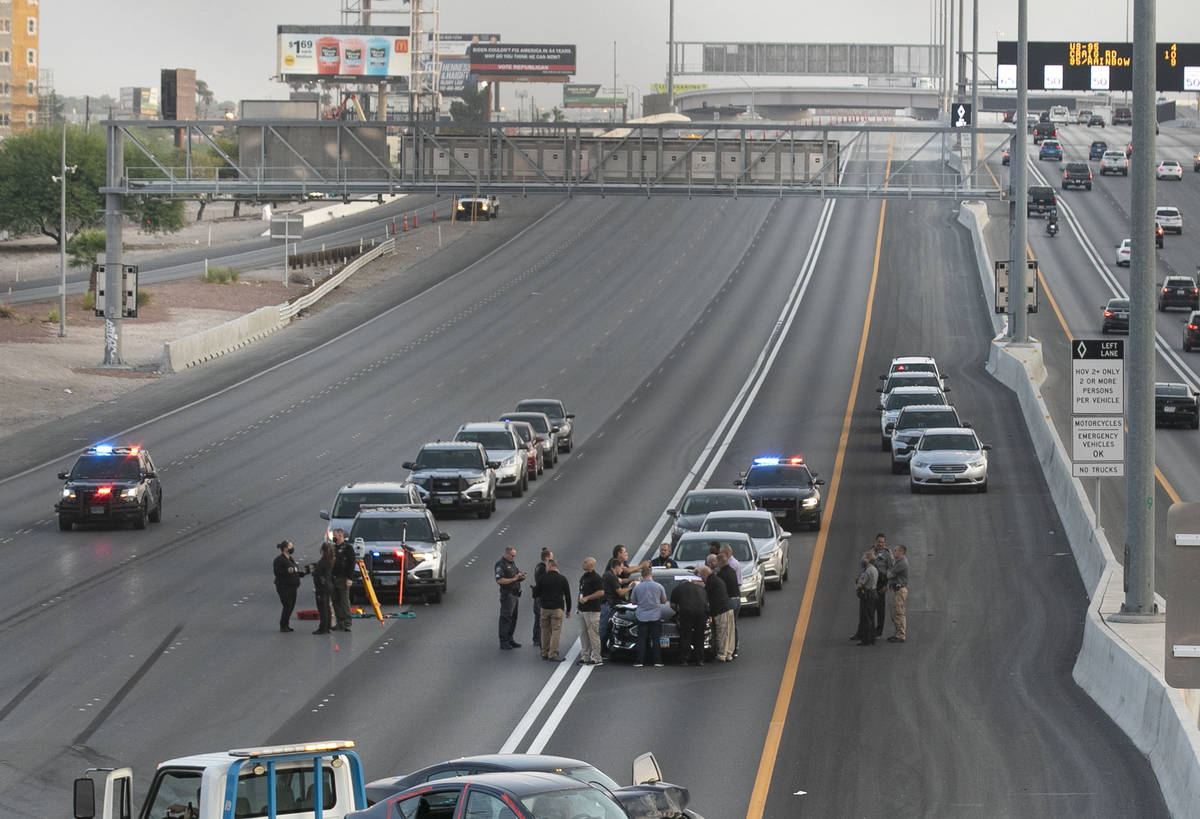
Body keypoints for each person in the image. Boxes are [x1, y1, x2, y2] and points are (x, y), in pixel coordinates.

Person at [532, 558, 572, 661]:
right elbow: (568, 595)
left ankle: (544, 653)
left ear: (549, 566)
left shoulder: (542, 578)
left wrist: (535, 590)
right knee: (555, 631)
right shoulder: (562, 579)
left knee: (544, 631)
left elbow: (536, 594)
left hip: (544, 608)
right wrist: (568, 610)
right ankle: (552, 654)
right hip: (557, 608)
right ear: (556, 566)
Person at [629, 565, 667, 667]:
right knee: (655, 639)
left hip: (642, 616)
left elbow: (633, 602)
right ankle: (657, 661)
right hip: (655, 616)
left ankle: (640, 661)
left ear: (642, 575)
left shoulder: (637, 587)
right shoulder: (659, 586)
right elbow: (663, 601)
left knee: (641, 639)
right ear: (651, 575)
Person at [599, 557, 635, 657]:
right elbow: (620, 592)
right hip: (607, 605)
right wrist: (631, 587)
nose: (622, 570)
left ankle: (603, 649)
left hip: (609, 605)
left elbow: (621, 581)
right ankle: (599, 650)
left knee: (608, 627)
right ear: (617, 567)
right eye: (621, 568)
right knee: (604, 628)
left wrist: (634, 579)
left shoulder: (610, 574)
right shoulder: (611, 576)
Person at [670, 573, 709, 666]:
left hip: (687, 613)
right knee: (699, 636)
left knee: (686, 635)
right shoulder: (701, 588)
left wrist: (678, 612)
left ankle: (685, 658)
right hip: (701, 613)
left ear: (681, 584)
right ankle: (699, 659)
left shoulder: (677, 589)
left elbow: (672, 605)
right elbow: (706, 602)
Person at [273, 540, 308, 632]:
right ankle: (283, 625)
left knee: (291, 605)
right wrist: (287, 572)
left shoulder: (290, 558)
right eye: (290, 546)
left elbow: (294, 570)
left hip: (293, 586)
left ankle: (286, 624)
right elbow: (277, 572)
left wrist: (303, 573)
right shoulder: (279, 560)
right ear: (285, 549)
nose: (292, 548)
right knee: (287, 605)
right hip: (284, 587)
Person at [495, 546, 526, 649]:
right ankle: (503, 641)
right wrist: (514, 579)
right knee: (506, 618)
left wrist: (520, 577)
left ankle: (510, 638)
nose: (513, 557)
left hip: (515, 594)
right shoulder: (501, 564)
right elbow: (499, 580)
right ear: (507, 554)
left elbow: (516, 575)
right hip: (507, 595)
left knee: (513, 618)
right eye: (512, 555)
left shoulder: (512, 563)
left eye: (514, 556)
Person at [701, 565, 734, 661]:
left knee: (722, 632)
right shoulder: (717, 579)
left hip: (720, 611)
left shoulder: (710, 582)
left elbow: (705, 594)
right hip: (728, 607)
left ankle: (721, 654)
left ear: (704, 575)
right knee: (729, 633)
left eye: (701, 576)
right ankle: (728, 653)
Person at [577, 557, 605, 665]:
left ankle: (597, 657)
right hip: (582, 610)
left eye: (585, 562)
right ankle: (585, 656)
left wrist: (587, 598)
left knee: (593, 634)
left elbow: (601, 592)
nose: (583, 564)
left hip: (592, 610)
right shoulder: (584, 577)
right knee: (583, 634)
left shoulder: (596, 578)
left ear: (591, 565)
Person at [330, 529, 356, 632]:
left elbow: (351, 563)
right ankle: (339, 623)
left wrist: (350, 578)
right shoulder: (333, 548)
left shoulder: (348, 548)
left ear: (340, 536)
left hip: (343, 578)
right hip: (334, 578)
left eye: (335, 536)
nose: (334, 538)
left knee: (344, 601)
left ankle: (347, 623)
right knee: (335, 601)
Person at [870, 534, 893, 638]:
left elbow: (891, 570)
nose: (880, 544)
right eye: (879, 542)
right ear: (875, 542)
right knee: (869, 608)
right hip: (870, 583)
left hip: (881, 583)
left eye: (882, 542)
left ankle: (878, 631)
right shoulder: (870, 551)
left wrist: (887, 585)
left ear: (885, 543)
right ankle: (867, 629)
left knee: (880, 609)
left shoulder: (887, 554)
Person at [854, 550, 879, 646]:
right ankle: (872, 638)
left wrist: (857, 584)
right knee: (871, 617)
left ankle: (866, 640)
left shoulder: (868, 570)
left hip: (868, 596)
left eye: (864, 557)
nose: (862, 559)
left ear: (868, 559)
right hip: (874, 594)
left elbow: (860, 585)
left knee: (866, 618)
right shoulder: (874, 569)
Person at [311, 542, 335, 635]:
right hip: (328, 585)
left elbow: (317, 573)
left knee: (322, 608)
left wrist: (313, 571)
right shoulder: (330, 559)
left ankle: (323, 627)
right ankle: (328, 626)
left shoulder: (323, 561)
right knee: (327, 607)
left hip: (322, 587)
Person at [887, 544, 909, 643]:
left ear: (901, 552)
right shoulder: (898, 561)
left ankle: (901, 635)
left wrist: (889, 572)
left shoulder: (902, 563)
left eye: (895, 550)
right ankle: (897, 634)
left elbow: (889, 575)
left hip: (899, 591)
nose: (894, 552)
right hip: (895, 590)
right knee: (894, 613)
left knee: (899, 612)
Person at [531, 548, 552, 647]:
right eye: (551, 558)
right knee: (541, 618)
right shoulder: (543, 568)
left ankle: (536, 638)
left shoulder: (538, 566)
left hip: (537, 595)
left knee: (537, 617)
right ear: (547, 558)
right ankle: (539, 639)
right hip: (541, 596)